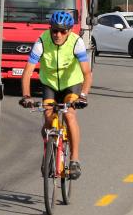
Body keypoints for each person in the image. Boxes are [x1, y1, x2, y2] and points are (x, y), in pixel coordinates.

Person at [18, 10, 93, 179]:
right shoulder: (41, 42)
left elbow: (87, 73)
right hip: (50, 84)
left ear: (69, 31)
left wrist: (83, 95)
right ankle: (49, 149)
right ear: (50, 29)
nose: (58, 35)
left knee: (69, 116)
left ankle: (74, 160)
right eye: (54, 30)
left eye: (63, 31)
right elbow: (28, 72)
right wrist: (26, 96)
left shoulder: (76, 42)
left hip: (71, 84)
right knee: (48, 117)